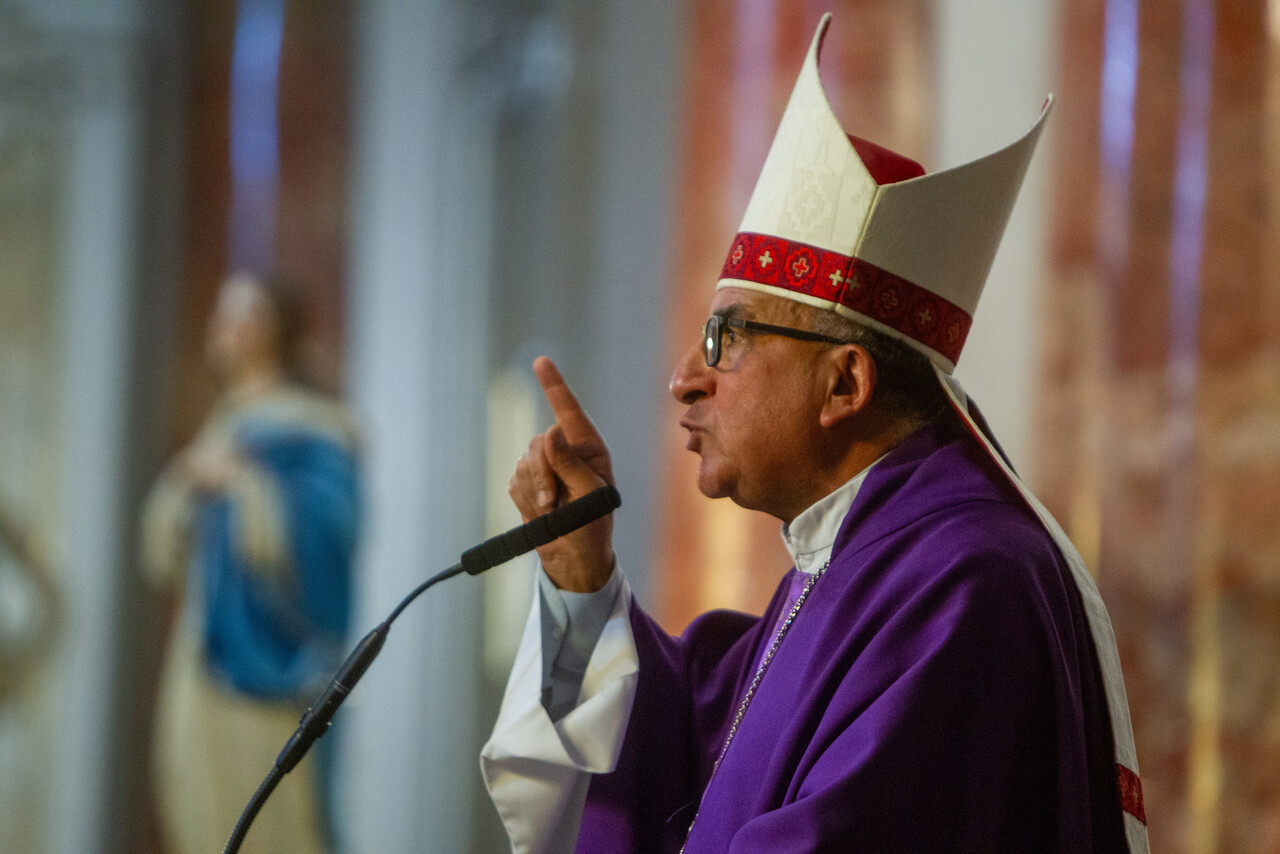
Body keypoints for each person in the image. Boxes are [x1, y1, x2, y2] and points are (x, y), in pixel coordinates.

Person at [482, 13, 1148, 854]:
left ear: (844, 383)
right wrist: (584, 583)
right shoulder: (853, 562)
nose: (684, 375)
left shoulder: (963, 583)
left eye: (727, 337)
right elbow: (701, 762)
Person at [141, 272, 360, 854]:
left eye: (246, 313)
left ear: (275, 332)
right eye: (224, 311)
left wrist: (244, 486)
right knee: (201, 808)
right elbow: (164, 550)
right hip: (204, 654)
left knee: (269, 818)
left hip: (266, 664)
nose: (228, 326)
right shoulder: (226, 423)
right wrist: (189, 485)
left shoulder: (311, 430)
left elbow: (329, 542)